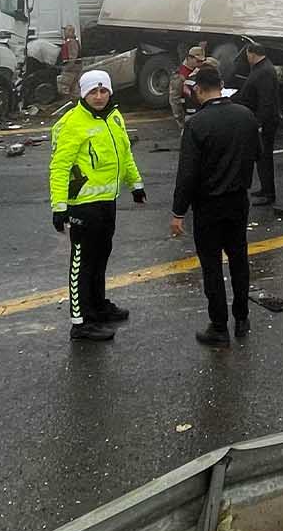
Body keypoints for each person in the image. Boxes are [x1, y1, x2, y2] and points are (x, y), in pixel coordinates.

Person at [50, 70, 146, 342]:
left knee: (101, 256)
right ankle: (80, 322)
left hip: (107, 201)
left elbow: (124, 153)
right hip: (82, 205)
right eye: (93, 92)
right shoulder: (73, 123)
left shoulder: (115, 117)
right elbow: (59, 166)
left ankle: (99, 305)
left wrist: (135, 184)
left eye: (104, 91)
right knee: (82, 262)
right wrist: (59, 206)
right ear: (84, 94)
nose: (100, 96)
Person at [169, 64, 262, 347]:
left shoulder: (196, 124)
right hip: (237, 200)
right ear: (220, 85)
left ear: (198, 90)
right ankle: (242, 318)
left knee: (211, 265)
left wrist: (178, 212)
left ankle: (219, 326)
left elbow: (187, 173)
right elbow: (257, 153)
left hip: (208, 204)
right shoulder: (245, 115)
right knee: (239, 259)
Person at [235, 41, 282, 205]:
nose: (247, 57)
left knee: (264, 157)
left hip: (265, 122)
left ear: (252, 53)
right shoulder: (261, 68)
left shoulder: (264, 71)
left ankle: (269, 194)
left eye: (247, 54)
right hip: (261, 119)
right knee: (260, 157)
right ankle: (265, 188)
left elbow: (266, 100)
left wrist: (260, 123)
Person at [169, 45, 208, 127]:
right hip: (187, 113)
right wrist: (181, 120)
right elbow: (175, 100)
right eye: (198, 61)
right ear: (189, 58)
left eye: (202, 61)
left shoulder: (197, 70)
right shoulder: (179, 75)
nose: (200, 64)